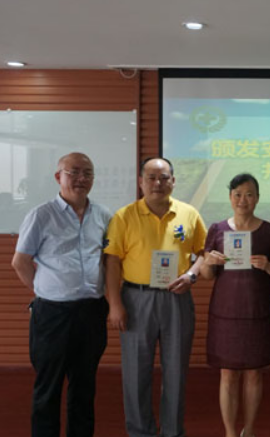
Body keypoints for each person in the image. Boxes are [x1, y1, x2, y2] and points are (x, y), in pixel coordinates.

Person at [104, 157, 207, 437]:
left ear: (173, 181)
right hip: (136, 299)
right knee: (136, 371)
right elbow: (112, 262)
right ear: (140, 182)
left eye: (164, 178)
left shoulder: (189, 213)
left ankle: (173, 431)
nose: (157, 183)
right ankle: (140, 431)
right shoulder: (124, 216)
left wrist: (192, 275)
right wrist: (115, 304)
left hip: (177, 298)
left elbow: (204, 252)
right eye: (151, 177)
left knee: (176, 370)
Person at [11, 152, 110, 437]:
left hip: (91, 311)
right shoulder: (41, 215)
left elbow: (108, 260)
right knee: (48, 386)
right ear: (58, 176)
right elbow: (20, 262)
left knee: (85, 386)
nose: (81, 178)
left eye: (88, 173)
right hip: (52, 314)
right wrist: (45, 290)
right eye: (74, 172)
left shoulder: (103, 215)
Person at [199, 174, 270, 437]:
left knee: (254, 374)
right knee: (227, 374)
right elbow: (207, 275)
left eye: (249, 194)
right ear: (230, 197)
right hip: (226, 313)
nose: (243, 200)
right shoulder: (217, 230)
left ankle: (249, 431)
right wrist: (209, 263)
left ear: (257, 198)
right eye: (237, 194)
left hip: (257, 312)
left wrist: (267, 265)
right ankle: (229, 432)